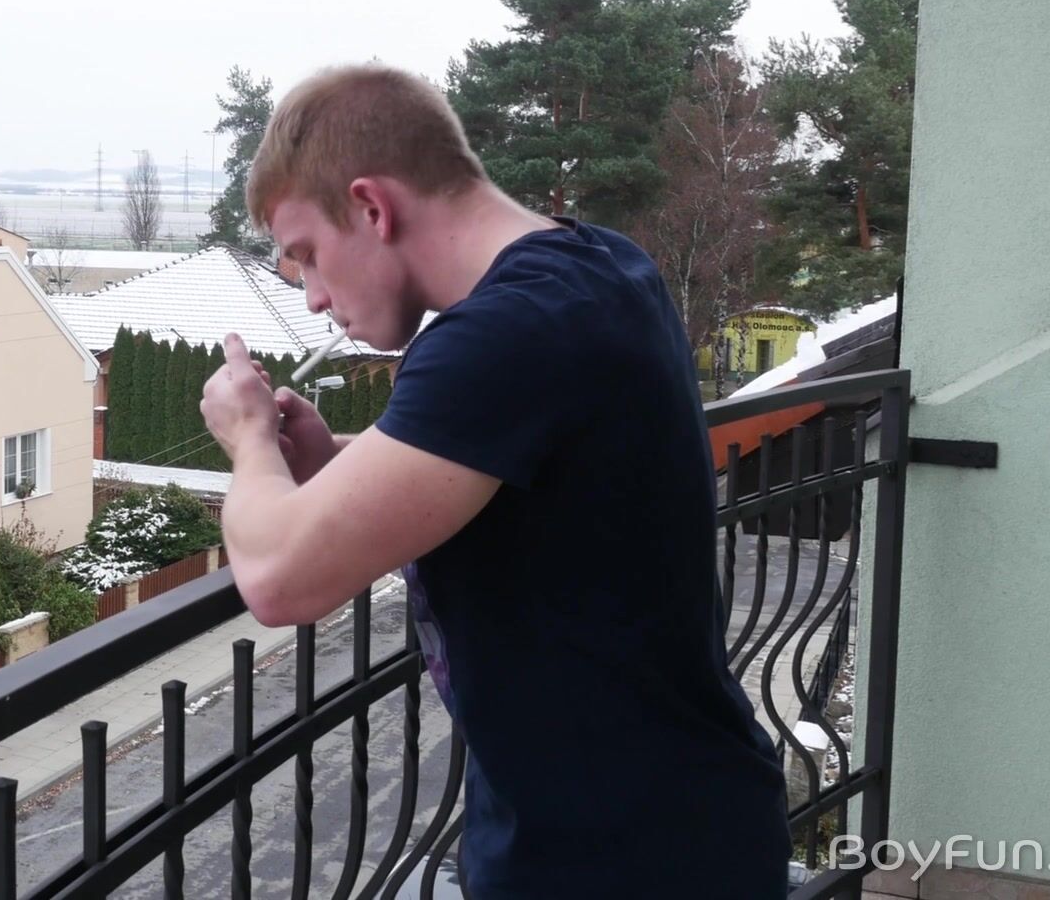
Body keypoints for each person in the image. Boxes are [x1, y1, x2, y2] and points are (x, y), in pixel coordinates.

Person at [198, 64, 789, 897]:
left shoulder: (508, 332)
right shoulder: (595, 268)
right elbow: (528, 483)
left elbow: (277, 579)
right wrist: (337, 466)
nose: (314, 300)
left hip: (617, 861)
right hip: (669, 823)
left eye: (308, 256)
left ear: (371, 208)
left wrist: (249, 438)